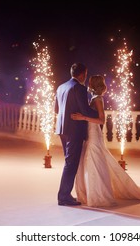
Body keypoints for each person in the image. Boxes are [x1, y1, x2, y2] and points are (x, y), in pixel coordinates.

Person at [72, 75, 140, 207]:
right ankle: (92, 193)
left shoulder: (98, 100)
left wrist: (83, 118)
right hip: (91, 133)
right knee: (91, 162)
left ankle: (99, 195)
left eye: (90, 82)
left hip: (94, 133)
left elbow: (101, 120)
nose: (88, 84)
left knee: (94, 161)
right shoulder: (94, 99)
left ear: (94, 85)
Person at [55, 63, 99, 206]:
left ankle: (65, 194)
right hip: (74, 130)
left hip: (62, 129)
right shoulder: (79, 88)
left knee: (69, 162)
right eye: (85, 75)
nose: (85, 78)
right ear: (82, 74)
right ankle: (64, 196)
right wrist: (99, 113)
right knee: (71, 163)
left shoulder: (61, 87)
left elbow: (56, 109)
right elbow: (85, 111)